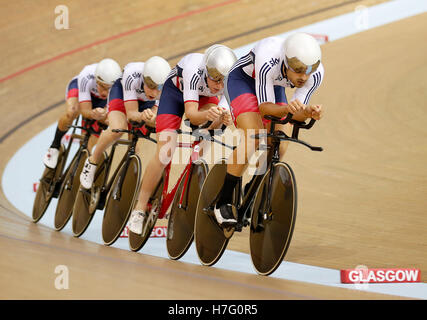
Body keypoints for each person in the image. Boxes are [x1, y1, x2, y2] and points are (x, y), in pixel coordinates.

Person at [214, 32, 325, 226]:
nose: (304, 76)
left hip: (273, 84)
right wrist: (288, 109)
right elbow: (265, 109)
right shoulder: (268, 57)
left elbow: (296, 113)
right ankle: (221, 201)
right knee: (254, 136)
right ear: (286, 62)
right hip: (243, 81)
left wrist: (308, 112)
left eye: (309, 70)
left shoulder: (314, 75)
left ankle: (252, 189)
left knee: (280, 145)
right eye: (298, 69)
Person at [127, 44, 237, 235]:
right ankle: (139, 208)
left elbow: (220, 119)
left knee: (207, 137)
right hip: (175, 94)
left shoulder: (229, 83)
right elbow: (192, 115)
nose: (219, 86)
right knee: (165, 152)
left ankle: (184, 193)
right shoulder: (194, 70)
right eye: (215, 80)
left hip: (202, 100)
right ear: (207, 72)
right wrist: (210, 115)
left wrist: (222, 118)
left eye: (223, 82)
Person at [79, 56, 172, 189]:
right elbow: (132, 114)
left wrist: (152, 117)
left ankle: (125, 173)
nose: (154, 92)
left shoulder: (166, 88)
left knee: (137, 142)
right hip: (122, 95)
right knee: (118, 128)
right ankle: (92, 161)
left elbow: (157, 115)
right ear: (143, 78)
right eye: (150, 86)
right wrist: (143, 115)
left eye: (159, 88)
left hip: (145, 103)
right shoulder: (132, 75)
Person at [43, 58, 122, 169]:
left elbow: (111, 112)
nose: (105, 92)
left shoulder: (119, 86)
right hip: (81, 89)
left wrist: (103, 114)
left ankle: (79, 164)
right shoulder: (87, 76)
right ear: (97, 80)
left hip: (101, 102)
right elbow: (85, 111)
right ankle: (54, 146)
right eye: (103, 87)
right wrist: (93, 114)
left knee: (89, 142)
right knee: (72, 112)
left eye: (109, 89)